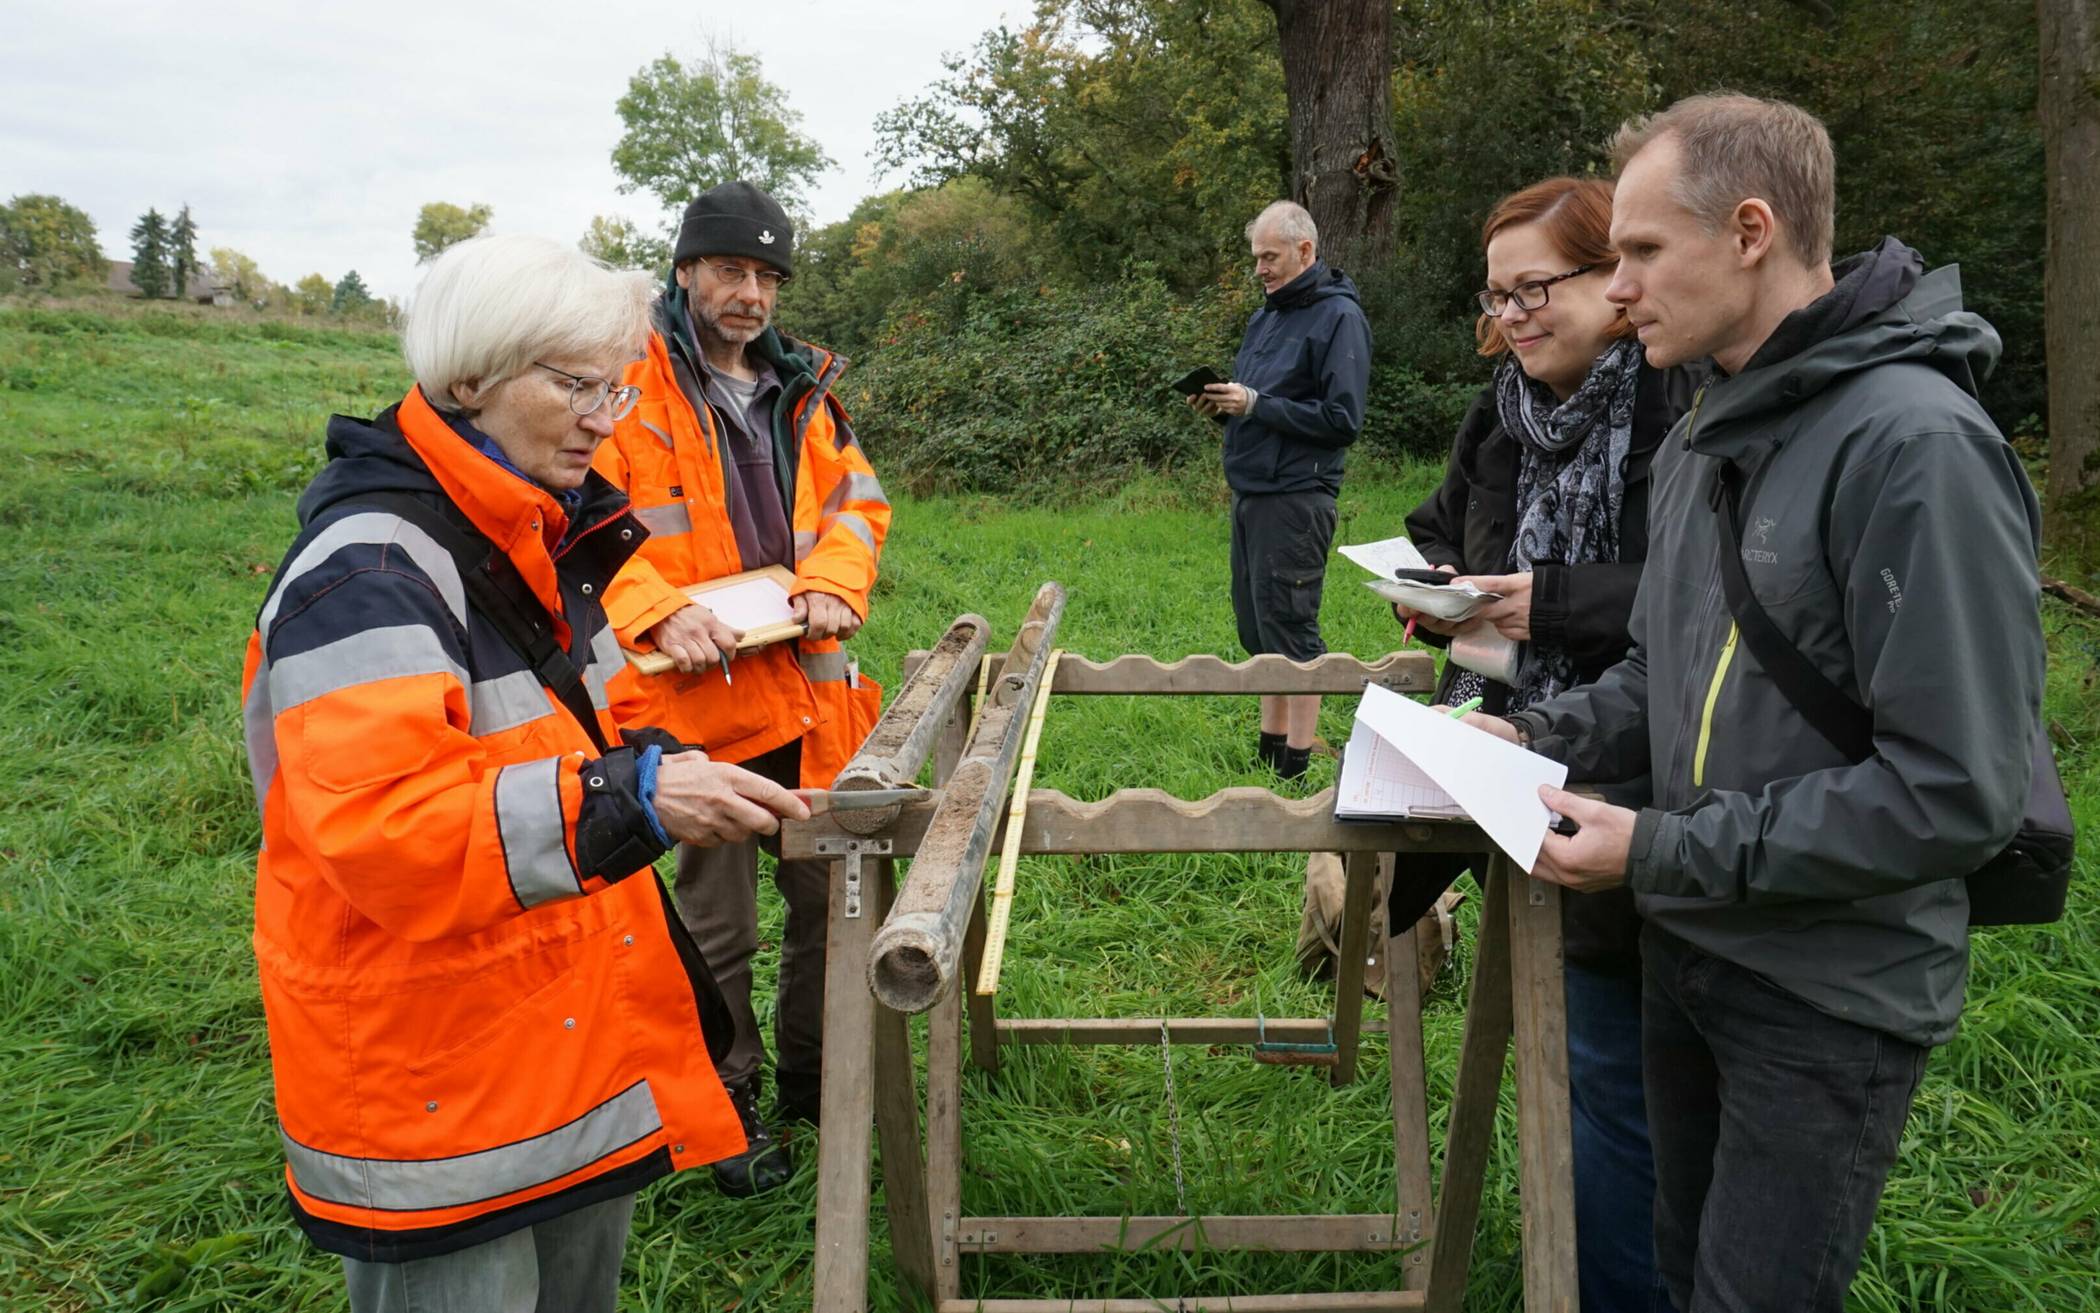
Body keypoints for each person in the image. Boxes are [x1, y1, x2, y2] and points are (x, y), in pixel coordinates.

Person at [1469, 94, 2045, 1312]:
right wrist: (1530, 732)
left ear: (1749, 230)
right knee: (1683, 1278)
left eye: (1639, 252)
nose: (1616, 288)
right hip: (1690, 942)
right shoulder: (1704, 437)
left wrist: (1665, 846)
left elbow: (1957, 793)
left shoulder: (1917, 447)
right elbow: (1658, 676)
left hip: (1825, 990)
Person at [241, 233, 810, 1313]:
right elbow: (383, 828)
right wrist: (631, 798)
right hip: (437, 1079)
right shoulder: (370, 570)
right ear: (468, 379)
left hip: (558, 1032)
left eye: (620, 383)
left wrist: (670, 764)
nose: (610, 415)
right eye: (577, 384)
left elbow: (600, 719)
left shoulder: (540, 533)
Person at [1397, 175, 1693, 1313]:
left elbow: (1702, 602)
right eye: (1498, 295)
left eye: (1538, 287)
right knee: (1582, 1048)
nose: (1516, 315)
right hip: (1515, 740)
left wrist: (1550, 603)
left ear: (1615, 284)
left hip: (1645, 764)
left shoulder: (1684, 404)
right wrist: (1433, 594)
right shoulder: (1503, 408)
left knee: (1621, 1061)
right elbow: (1439, 526)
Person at [595, 180, 888, 1196]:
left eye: (767, 275)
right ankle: (726, 1104)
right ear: (685, 270)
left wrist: (834, 584)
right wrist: (653, 610)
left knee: (828, 897)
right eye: (730, 268)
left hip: (808, 695)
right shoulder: (623, 382)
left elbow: (859, 503)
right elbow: (580, 521)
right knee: (716, 921)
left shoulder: (802, 384)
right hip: (693, 704)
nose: (750, 292)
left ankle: (816, 1077)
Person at [1190, 199, 1370, 781]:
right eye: (1256, 258)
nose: (1260, 269)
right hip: (1252, 488)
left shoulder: (1339, 318)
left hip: (1297, 494)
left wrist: (1256, 403)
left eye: (1269, 257)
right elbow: (1261, 408)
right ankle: (1271, 748)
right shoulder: (1265, 317)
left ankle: (1298, 761)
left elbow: (1343, 419)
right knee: (1259, 625)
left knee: (1292, 626)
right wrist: (1225, 407)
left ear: (1305, 251)